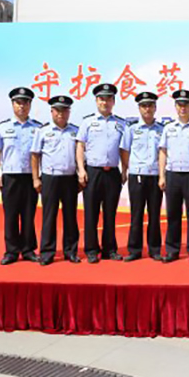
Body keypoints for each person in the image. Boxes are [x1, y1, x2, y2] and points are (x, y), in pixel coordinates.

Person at [76, 83, 126, 263]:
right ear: (96, 101)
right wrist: (81, 169)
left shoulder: (121, 123)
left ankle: (110, 249)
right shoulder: (88, 122)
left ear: (113, 101)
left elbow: (123, 149)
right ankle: (91, 249)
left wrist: (125, 169)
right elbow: (80, 146)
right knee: (91, 213)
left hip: (112, 173)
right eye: (101, 99)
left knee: (110, 214)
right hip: (93, 172)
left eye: (108, 99)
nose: (105, 102)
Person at [0, 87, 43, 265]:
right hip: (10, 177)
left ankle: (28, 250)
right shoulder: (3, 127)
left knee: (29, 215)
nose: (22, 106)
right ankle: (11, 251)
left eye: (25, 103)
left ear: (30, 105)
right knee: (11, 215)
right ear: (13, 104)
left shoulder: (38, 128)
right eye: (18, 102)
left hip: (30, 177)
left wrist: (39, 177)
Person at [158, 89, 189, 264]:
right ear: (175, 106)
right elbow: (163, 151)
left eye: (186, 105)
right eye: (180, 105)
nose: (183, 108)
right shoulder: (168, 128)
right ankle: (172, 250)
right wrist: (161, 175)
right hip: (172, 174)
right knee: (173, 214)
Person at [30, 95, 80, 265]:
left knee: (70, 217)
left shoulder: (75, 131)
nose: (61, 114)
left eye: (64, 110)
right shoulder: (43, 131)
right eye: (57, 110)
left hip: (70, 178)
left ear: (69, 112)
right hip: (50, 178)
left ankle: (70, 251)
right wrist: (35, 178)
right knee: (49, 216)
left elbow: (81, 155)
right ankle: (47, 252)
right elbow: (35, 155)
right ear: (51, 111)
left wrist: (81, 174)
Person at [119, 91, 165, 262]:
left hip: (155, 176)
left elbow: (164, 152)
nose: (147, 109)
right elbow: (125, 151)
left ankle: (155, 249)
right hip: (137, 176)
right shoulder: (132, 129)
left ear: (155, 108)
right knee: (136, 214)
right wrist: (128, 168)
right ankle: (134, 249)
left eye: (150, 106)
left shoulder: (162, 129)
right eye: (144, 106)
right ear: (139, 108)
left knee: (154, 214)